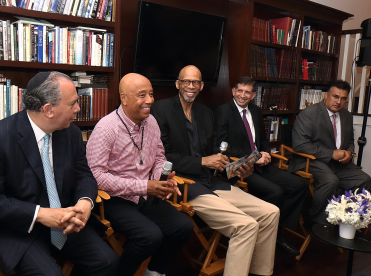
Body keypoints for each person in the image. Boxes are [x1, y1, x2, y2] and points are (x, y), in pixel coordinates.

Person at [0, 71, 118, 276]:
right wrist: (40, 214)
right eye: (72, 103)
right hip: (19, 228)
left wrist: (84, 202)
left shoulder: (71, 133)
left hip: (66, 222)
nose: (78, 109)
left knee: (108, 262)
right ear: (48, 110)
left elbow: (84, 175)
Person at [151, 65, 279, 276]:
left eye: (195, 82)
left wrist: (236, 170)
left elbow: (215, 155)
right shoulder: (161, 109)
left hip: (212, 182)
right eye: (186, 81)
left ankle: (259, 272)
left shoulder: (205, 113)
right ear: (177, 84)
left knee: (270, 212)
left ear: (201, 86)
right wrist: (203, 162)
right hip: (184, 185)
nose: (190, 86)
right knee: (245, 225)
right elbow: (164, 157)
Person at [86, 73, 194, 276]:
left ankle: (153, 272)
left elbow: (159, 156)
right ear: (124, 98)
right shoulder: (106, 128)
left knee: (184, 227)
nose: (150, 100)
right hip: (114, 200)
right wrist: (145, 186)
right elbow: (96, 176)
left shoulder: (151, 122)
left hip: (147, 195)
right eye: (142, 95)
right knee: (150, 236)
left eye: (151, 94)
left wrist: (162, 180)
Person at [214, 76, 307, 256]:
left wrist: (265, 154)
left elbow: (263, 140)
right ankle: (263, 238)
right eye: (239, 91)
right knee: (275, 192)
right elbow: (221, 146)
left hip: (261, 164)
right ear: (233, 91)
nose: (242, 95)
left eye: (247, 92)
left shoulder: (256, 111)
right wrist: (252, 157)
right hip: (240, 168)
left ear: (253, 95)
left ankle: (277, 231)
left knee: (299, 185)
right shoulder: (223, 111)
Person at [289, 80, 371, 225]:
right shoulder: (308, 114)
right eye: (335, 96)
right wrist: (331, 153)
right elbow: (300, 145)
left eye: (343, 98)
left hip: (338, 163)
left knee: (364, 180)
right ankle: (314, 220)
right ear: (326, 95)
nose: (339, 101)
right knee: (330, 181)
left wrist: (349, 153)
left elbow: (350, 140)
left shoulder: (346, 115)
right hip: (312, 160)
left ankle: (346, 216)